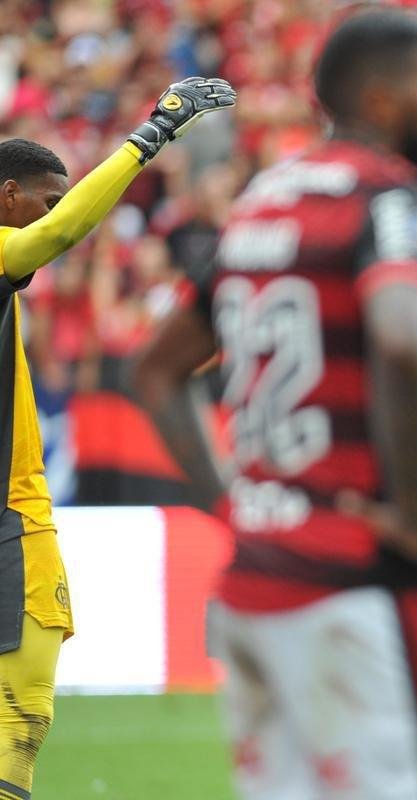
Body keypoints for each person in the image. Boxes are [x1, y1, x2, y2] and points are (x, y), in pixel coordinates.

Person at [133, 10, 417, 800]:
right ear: (385, 99)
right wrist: (408, 517)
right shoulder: (391, 200)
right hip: (358, 585)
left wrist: (232, 508)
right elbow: (400, 340)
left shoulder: (265, 201)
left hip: (253, 585)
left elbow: (156, 371)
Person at [0, 78, 235, 797]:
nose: (57, 211)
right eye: (46, 195)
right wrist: (153, 135)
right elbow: (60, 232)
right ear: (8, 197)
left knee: (24, 719)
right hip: (11, 513)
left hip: (15, 518)